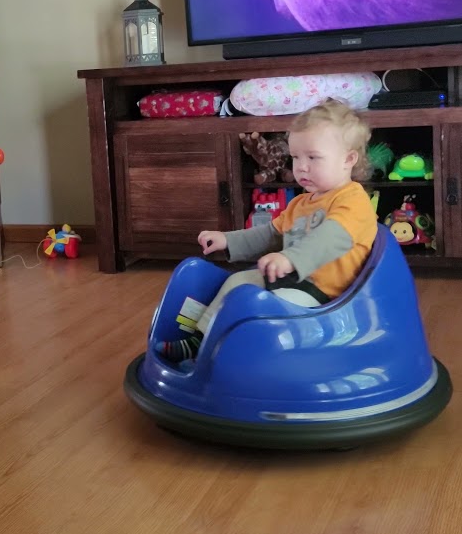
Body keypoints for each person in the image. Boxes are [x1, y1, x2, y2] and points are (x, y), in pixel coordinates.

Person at [160, 99, 379, 362]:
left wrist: (290, 258)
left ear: (348, 159)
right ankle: (200, 342)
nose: (301, 167)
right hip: (290, 280)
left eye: (313, 157)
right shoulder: (300, 203)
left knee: (261, 305)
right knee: (236, 282)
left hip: (325, 295)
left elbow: (332, 238)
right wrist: (227, 240)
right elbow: (269, 235)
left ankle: (232, 356)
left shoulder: (352, 200)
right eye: (296, 157)